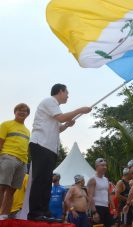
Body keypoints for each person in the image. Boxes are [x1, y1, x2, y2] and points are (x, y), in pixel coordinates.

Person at [27, 84, 91, 221]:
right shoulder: (49, 101)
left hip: (49, 147)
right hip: (41, 143)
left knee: (46, 181)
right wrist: (81, 110)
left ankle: (44, 211)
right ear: (60, 91)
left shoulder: (55, 109)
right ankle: (35, 213)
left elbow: (58, 128)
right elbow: (62, 117)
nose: (68, 96)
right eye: (67, 92)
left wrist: (67, 125)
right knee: (40, 180)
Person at [0, 103, 30, 220]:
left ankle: (4, 215)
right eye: (19, 110)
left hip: (23, 162)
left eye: (25, 111)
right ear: (15, 112)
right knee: (2, 187)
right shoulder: (6, 124)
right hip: (8, 157)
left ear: (27, 114)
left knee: (12, 191)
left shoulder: (27, 131)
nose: (22, 112)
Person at [87, 158, 116, 227]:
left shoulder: (106, 179)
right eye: (102, 165)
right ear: (97, 167)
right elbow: (90, 197)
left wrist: (114, 208)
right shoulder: (93, 179)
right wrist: (94, 212)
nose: (105, 167)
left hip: (106, 207)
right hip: (97, 207)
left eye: (105, 165)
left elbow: (108, 195)